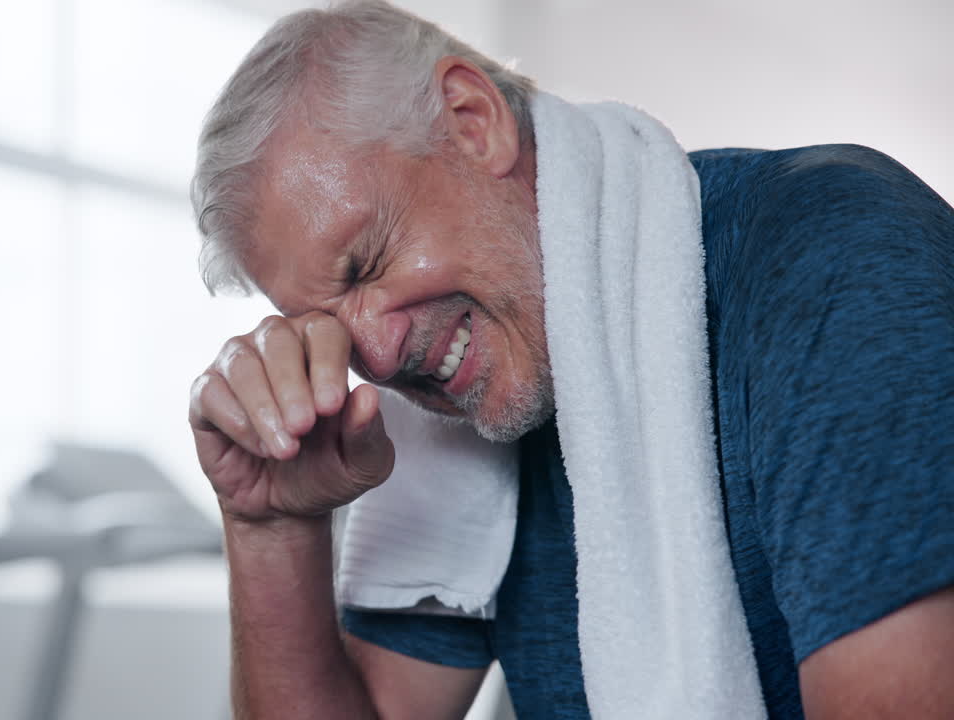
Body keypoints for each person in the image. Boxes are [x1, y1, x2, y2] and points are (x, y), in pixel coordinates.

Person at [186, 1, 954, 718]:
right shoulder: (454, 412)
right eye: (330, 329)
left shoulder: (831, 255)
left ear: (472, 119)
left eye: (366, 264)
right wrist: (268, 521)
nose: (379, 357)